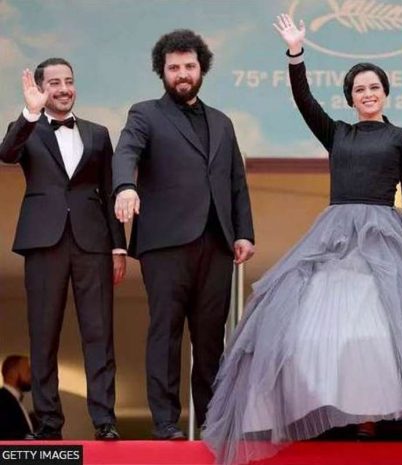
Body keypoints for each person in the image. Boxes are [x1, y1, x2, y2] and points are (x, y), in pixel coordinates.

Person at [202, 15, 402, 465]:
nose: (367, 94)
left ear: (385, 93)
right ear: (351, 99)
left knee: (385, 331)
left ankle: (382, 417)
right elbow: (303, 100)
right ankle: (338, 414)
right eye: (359, 90)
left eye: (374, 87)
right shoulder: (338, 133)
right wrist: (296, 53)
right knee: (326, 330)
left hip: (386, 235)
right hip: (335, 235)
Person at [112, 29, 255, 440]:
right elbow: (127, 152)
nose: (182, 74)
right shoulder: (145, 114)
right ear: (162, 72)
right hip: (166, 244)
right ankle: (164, 422)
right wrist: (125, 186)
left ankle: (211, 421)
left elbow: (236, 183)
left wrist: (243, 232)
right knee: (166, 331)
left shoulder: (222, 123)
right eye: (173, 68)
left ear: (201, 69)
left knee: (211, 337)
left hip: (216, 242)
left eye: (189, 66)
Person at [0, 59, 127, 440]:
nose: (63, 88)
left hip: (93, 242)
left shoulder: (98, 133)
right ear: (41, 88)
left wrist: (118, 248)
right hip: (44, 242)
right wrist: (29, 112)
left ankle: (105, 421)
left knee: (99, 333)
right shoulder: (28, 129)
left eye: (69, 81)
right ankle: (50, 423)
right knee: (43, 335)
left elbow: (109, 190)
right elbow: (6, 153)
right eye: (54, 82)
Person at [0, 355, 33, 439]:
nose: (31, 376)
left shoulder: (15, 402)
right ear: (12, 373)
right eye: (28, 371)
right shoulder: (2, 401)